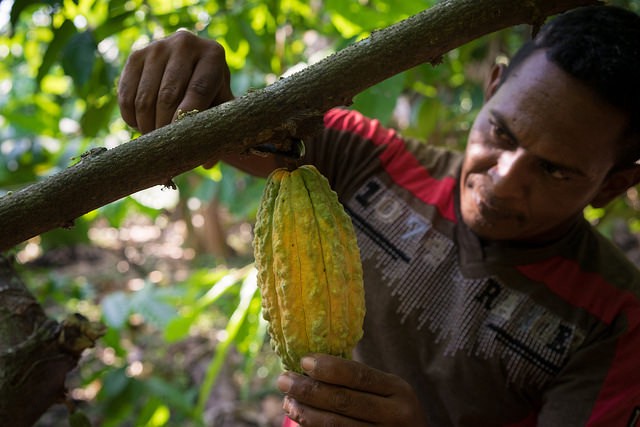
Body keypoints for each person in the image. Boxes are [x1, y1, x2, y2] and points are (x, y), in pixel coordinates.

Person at [118, 5, 640, 426]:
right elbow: (256, 134)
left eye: (554, 171)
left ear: (614, 184)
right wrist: (202, 88)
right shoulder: (374, 161)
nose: (502, 180)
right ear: (493, 86)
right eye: (501, 133)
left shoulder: (617, 322)